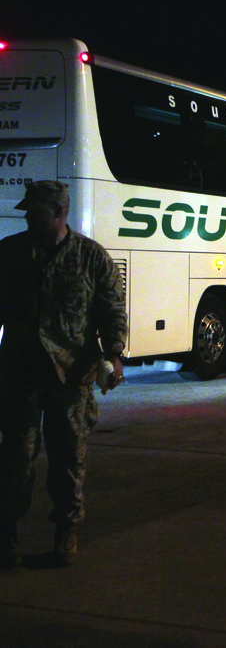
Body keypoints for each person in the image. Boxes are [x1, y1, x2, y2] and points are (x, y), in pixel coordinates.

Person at [0, 181, 129, 568]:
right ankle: (7, 535)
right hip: (20, 372)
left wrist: (114, 354)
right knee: (15, 460)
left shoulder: (91, 257)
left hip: (71, 376)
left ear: (58, 213)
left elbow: (112, 310)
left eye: (35, 211)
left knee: (68, 460)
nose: (27, 217)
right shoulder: (9, 253)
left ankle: (65, 533)